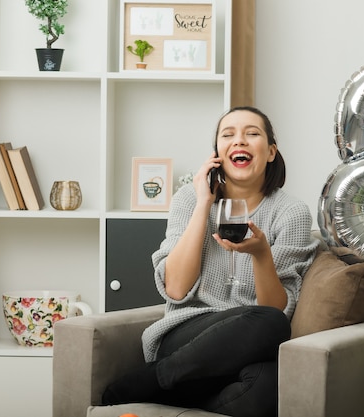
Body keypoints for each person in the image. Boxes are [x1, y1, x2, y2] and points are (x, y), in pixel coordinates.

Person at [102, 106, 319, 417]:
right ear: (218, 152)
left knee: (270, 376)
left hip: (241, 352)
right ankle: (153, 378)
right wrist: (204, 202)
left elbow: (276, 310)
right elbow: (175, 289)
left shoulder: (291, 212)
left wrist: (261, 255)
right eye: (228, 135)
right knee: (268, 324)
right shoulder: (189, 199)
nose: (239, 141)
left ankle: (170, 397)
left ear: (271, 151)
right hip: (185, 337)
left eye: (252, 134)